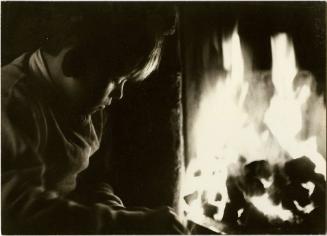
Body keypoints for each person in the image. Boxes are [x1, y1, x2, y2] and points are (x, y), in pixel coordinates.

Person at [1, 3, 187, 234]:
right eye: (116, 81)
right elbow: (16, 215)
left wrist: (121, 213)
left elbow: (89, 179)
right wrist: (127, 226)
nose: (119, 94)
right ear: (73, 63)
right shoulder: (10, 104)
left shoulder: (88, 109)